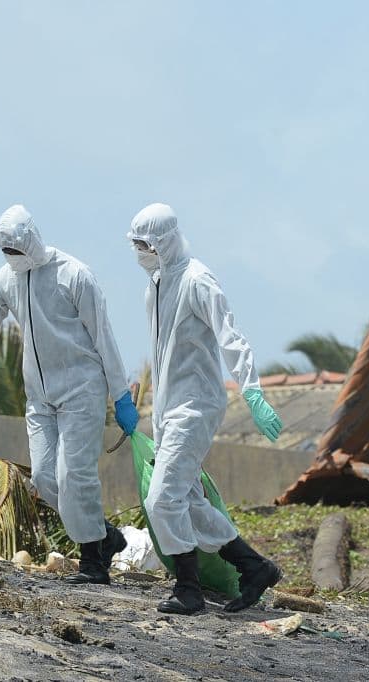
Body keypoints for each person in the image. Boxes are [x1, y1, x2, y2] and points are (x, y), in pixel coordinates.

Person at [0, 204, 139, 585]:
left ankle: (93, 562)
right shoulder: (5, 280)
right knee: (47, 479)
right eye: (6, 252)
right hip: (40, 399)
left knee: (74, 475)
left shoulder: (74, 276)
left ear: (32, 240)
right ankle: (107, 537)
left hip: (82, 391)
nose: (12, 258)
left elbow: (104, 338)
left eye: (17, 250)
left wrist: (120, 395)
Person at [128, 202, 283, 615]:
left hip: (195, 406)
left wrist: (252, 393)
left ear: (164, 241)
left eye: (146, 243)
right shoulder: (157, 284)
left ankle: (188, 588)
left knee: (163, 500)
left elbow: (232, 336)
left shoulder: (198, 280)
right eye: (136, 244)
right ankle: (254, 568)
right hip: (167, 407)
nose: (140, 251)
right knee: (189, 500)